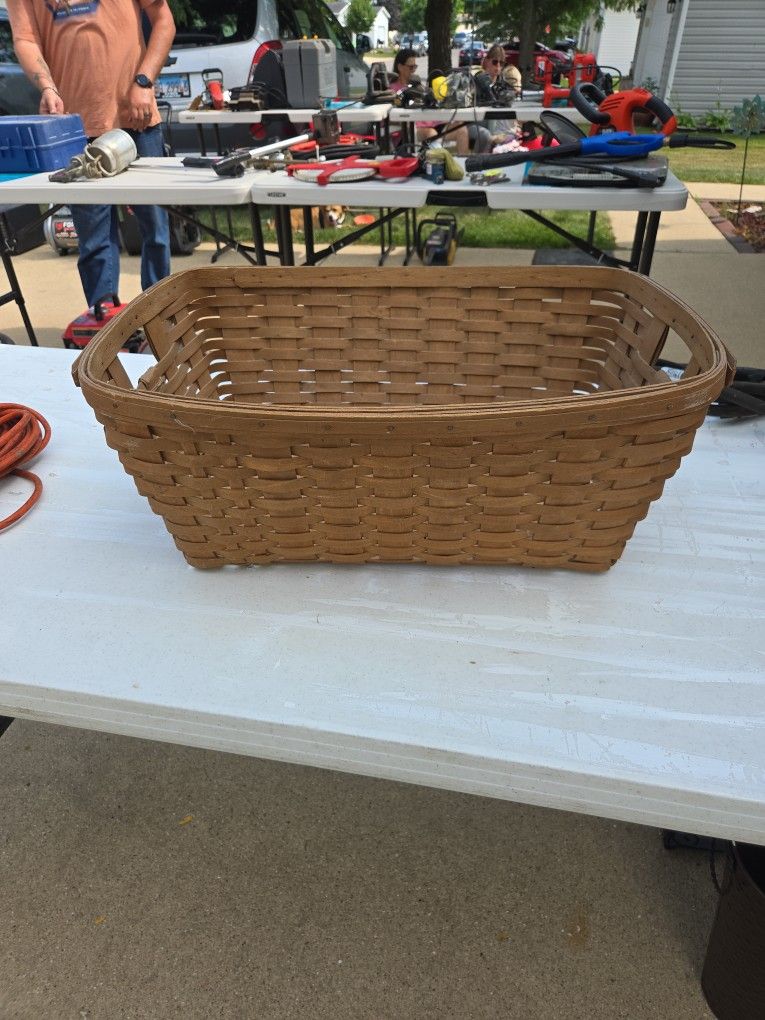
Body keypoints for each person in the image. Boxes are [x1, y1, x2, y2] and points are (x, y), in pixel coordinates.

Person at [7, 0, 176, 314]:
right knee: (94, 238)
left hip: (136, 118)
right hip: (74, 126)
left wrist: (144, 81)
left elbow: (164, 20)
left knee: (155, 227)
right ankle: (105, 321)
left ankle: (160, 315)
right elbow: (26, 39)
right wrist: (47, 87)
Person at [389, 47, 471, 156]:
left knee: (461, 130)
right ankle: (443, 167)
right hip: (412, 129)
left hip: (434, 123)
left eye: (415, 66)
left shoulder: (417, 84)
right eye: (411, 67)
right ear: (400, 67)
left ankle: (462, 168)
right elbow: (394, 111)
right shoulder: (393, 89)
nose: (414, 70)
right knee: (431, 134)